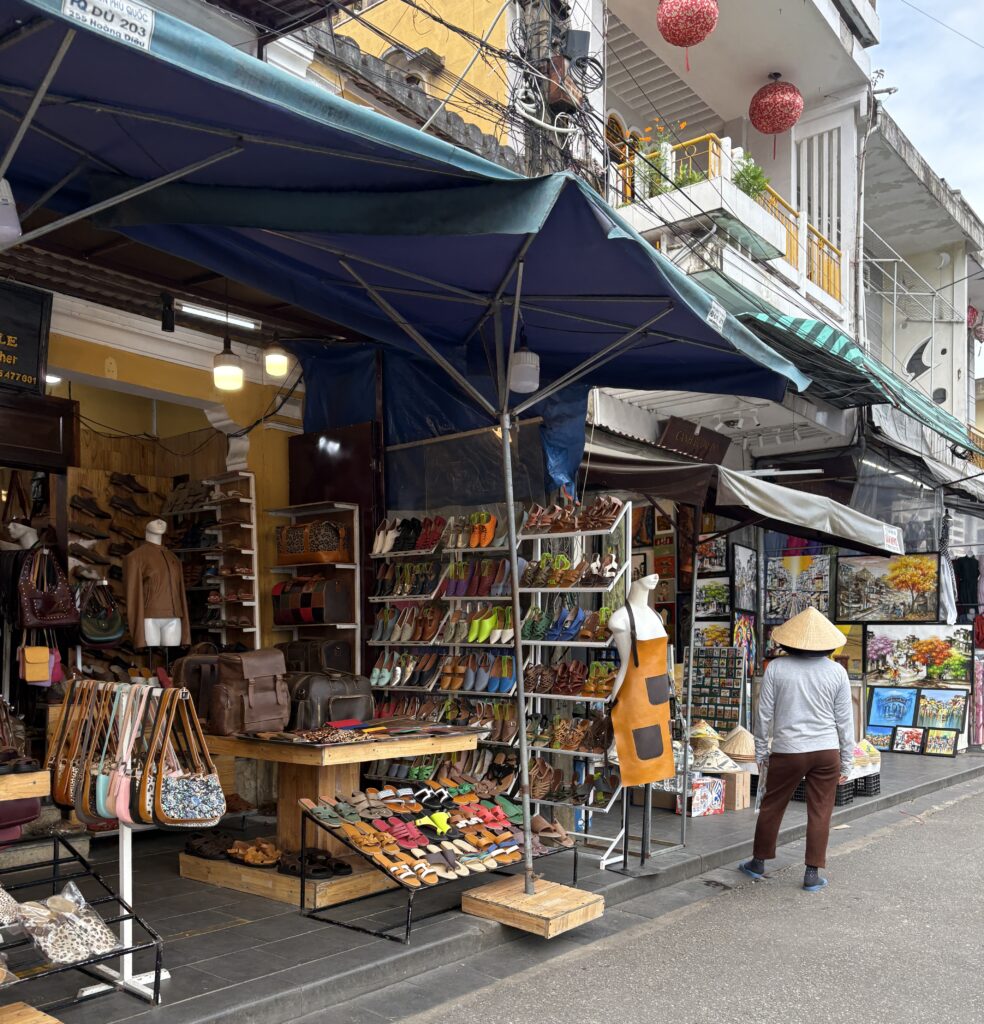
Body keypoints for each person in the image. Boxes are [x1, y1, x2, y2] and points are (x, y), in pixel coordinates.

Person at [740, 607, 854, 892]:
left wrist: (761, 752)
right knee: (820, 811)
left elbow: (763, 714)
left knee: (772, 804)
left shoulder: (777, 668)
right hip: (827, 751)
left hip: (788, 750)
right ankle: (812, 874)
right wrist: (848, 762)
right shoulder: (837, 672)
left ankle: (758, 862)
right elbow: (845, 722)